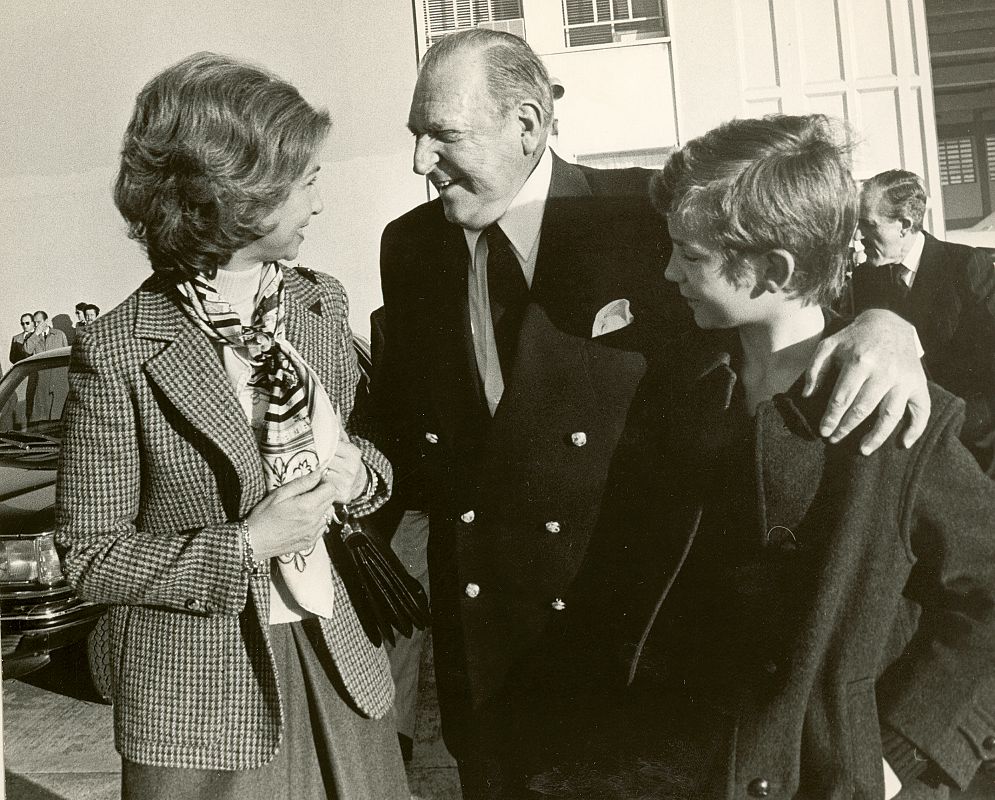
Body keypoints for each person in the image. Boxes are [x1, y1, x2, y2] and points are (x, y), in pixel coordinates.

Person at [372, 28, 932, 799]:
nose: (419, 161)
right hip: (489, 648)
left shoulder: (641, 215)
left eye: (443, 135)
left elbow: (809, 245)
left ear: (527, 124)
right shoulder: (407, 248)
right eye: (415, 135)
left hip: (622, 636)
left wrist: (886, 327)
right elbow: (409, 430)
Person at [535, 113, 995, 800]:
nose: (667, 271)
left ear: (774, 270)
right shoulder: (673, 389)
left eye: (689, 257)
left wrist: (901, 748)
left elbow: (984, 602)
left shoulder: (900, 422)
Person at [55, 52, 408, 800]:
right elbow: (90, 557)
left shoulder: (321, 306)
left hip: (339, 664)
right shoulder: (120, 349)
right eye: (306, 182)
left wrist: (359, 473)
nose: (320, 202)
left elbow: (364, 449)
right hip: (201, 703)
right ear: (239, 196)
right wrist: (247, 544)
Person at [848, 169, 995, 474]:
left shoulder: (967, 266)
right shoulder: (864, 279)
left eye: (869, 224)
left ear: (904, 225)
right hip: (901, 445)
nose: (860, 236)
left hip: (970, 440)